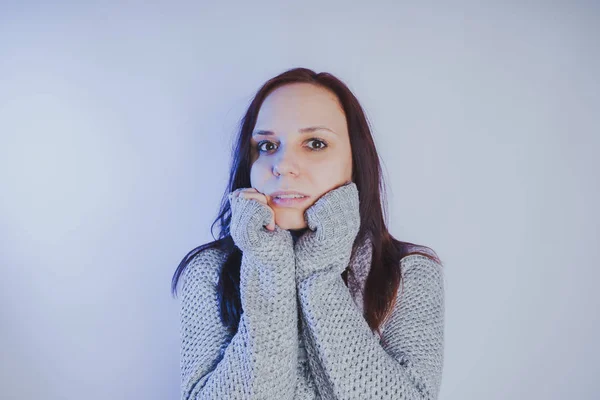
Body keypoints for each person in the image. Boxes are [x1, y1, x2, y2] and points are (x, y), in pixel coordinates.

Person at [172, 67, 445, 399]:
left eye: (315, 143)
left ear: (354, 161)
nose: (283, 165)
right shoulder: (209, 271)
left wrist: (320, 271)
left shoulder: (409, 273)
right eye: (268, 145)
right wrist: (268, 267)